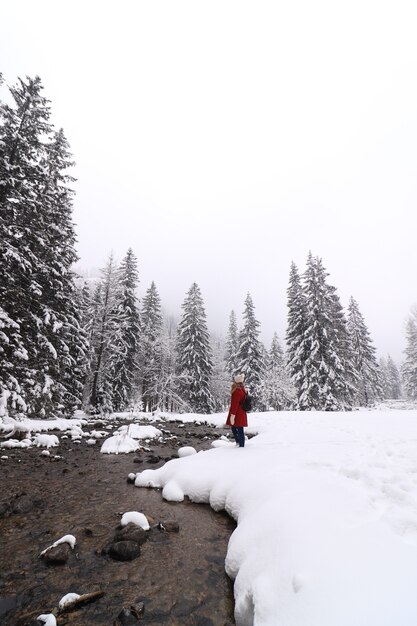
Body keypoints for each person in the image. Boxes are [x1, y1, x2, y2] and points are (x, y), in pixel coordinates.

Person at [226, 373, 248, 447]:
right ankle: (239, 442)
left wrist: (232, 415)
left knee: (237, 427)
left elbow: (235, 404)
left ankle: (240, 444)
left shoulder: (237, 391)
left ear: (236, 382)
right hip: (242, 411)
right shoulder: (243, 389)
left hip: (237, 412)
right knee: (237, 427)